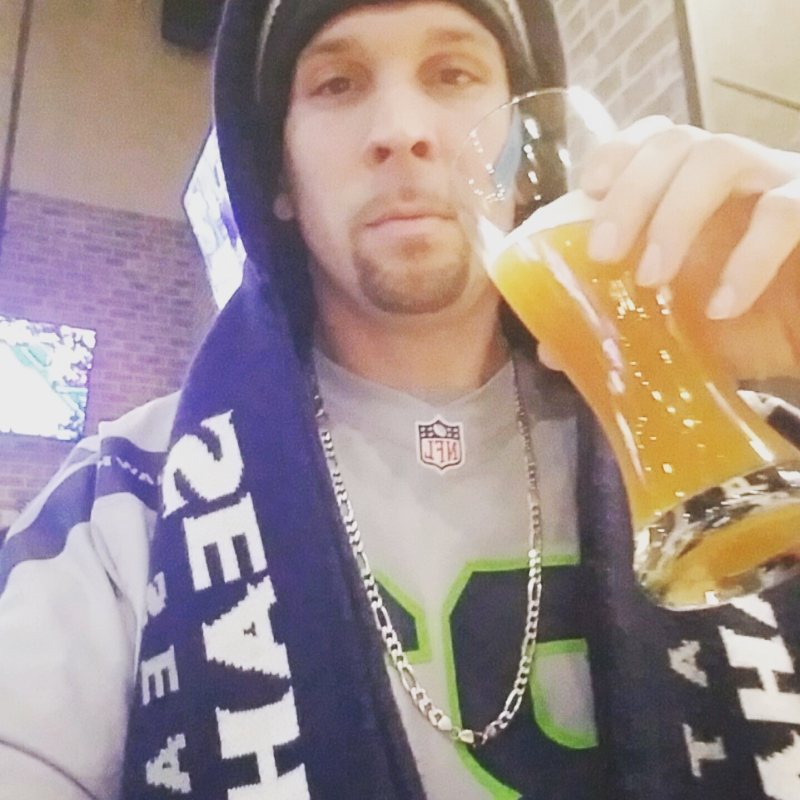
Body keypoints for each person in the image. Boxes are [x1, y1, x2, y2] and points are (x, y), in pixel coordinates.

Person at [1, 0, 799, 797]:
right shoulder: (122, 504)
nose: (401, 130)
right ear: (278, 173)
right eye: (338, 84)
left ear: (525, 155)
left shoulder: (736, 457)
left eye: (452, 74)